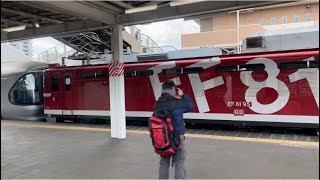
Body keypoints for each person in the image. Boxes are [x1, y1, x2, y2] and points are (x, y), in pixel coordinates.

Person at [154, 80, 194, 179]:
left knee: (164, 162)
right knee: (179, 162)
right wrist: (182, 94)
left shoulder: (158, 103)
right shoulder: (177, 102)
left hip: (163, 137)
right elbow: (190, 106)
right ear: (173, 89)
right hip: (178, 137)